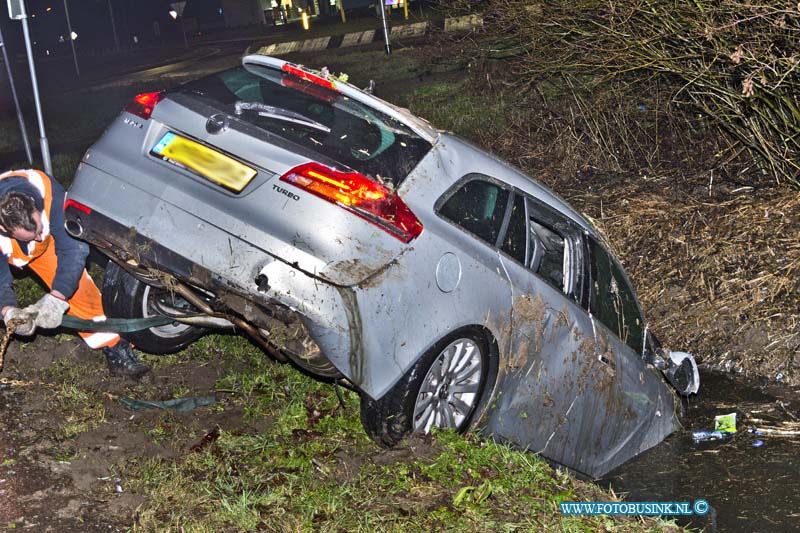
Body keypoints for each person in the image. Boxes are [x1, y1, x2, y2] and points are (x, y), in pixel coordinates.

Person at [0, 168, 149, 378]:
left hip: (47, 248)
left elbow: (73, 249)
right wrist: (8, 312)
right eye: (30, 236)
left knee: (78, 288)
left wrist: (58, 297)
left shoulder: (46, 191)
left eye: (39, 228)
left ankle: (115, 347)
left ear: (34, 204)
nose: (39, 237)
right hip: (10, 249)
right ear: (4, 228)